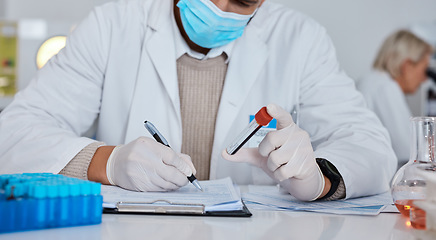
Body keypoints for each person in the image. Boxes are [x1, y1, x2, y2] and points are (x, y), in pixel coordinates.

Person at [0, 0, 397, 201]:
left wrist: (319, 179)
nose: (219, 8)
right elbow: (14, 131)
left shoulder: (300, 40)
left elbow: (371, 146)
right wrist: (109, 161)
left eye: (241, 2)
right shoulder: (113, 25)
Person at [357, 30, 434, 166]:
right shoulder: (385, 87)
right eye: (425, 70)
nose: (425, 79)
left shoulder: (373, 81)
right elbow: (410, 151)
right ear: (407, 66)